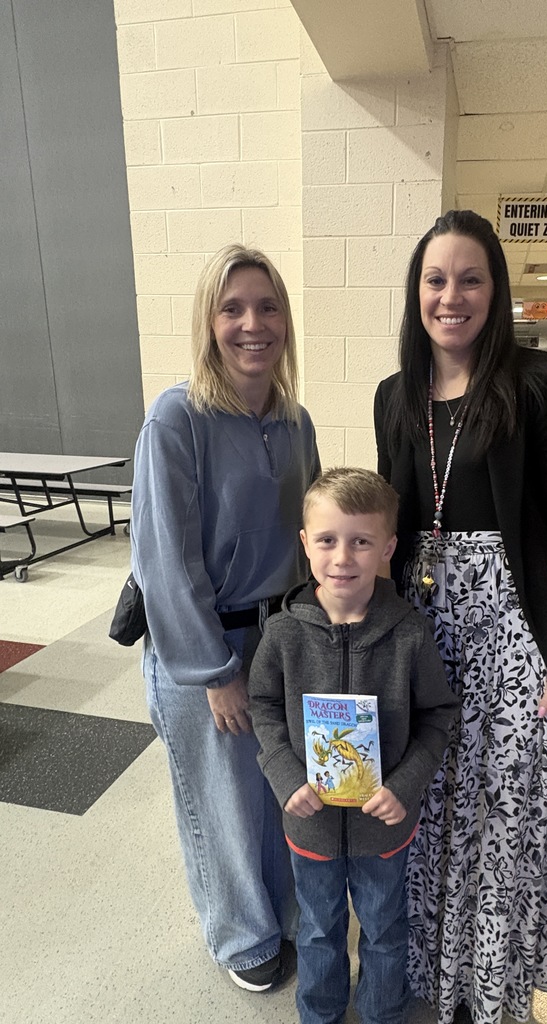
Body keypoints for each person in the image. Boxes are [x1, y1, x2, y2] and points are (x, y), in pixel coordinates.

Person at [373, 209, 547, 1024]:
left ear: (496, 290)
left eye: (471, 278)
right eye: (436, 279)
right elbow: (384, 528)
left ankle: (496, 989)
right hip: (423, 629)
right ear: (417, 293)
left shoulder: (536, 384)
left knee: (506, 807)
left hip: (514, 629)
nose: (452, 295)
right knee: (429, 804)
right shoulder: (394, 395)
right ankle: (437, 981)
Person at [130, 243, 320, 992]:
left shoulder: (295, 421)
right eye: (233, 307)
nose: (252, 323)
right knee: (224, 803)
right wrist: (214, 672)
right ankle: (242, 936)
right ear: (209, 322)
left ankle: (277, 913)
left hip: (280, 639)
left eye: (267, 307)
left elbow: (310, 536)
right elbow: (165, 561)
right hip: (204, 645)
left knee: (275, 790)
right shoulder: (177, 418)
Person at [248, 467, 459, 1024]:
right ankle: (319, 1014)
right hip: (311, 820)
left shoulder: (409, 633)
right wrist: (285, 775)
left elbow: (438, 714)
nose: (343, 557)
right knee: (318, 930)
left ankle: (382, 1013)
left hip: (383, 823)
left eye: (361, 541)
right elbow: (264, 707)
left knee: (386, 928)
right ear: (305, 544)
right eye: (327, 540)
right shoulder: (283, 633)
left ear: (388, 547)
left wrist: (405, 787)